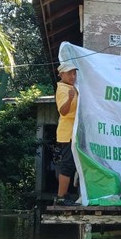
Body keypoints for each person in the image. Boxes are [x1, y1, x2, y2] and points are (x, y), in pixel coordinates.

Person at [53, 60, 80, 206]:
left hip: (75, 132)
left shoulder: (73, 87)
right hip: (67, 132)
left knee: (74, 164)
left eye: (74, 73)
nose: (73, 75)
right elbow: (63, 111)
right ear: (61, 74)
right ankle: (61, 197)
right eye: (69, 73)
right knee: (67, 164)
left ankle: (67, 195)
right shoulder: (62, 89)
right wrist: (69, 99)